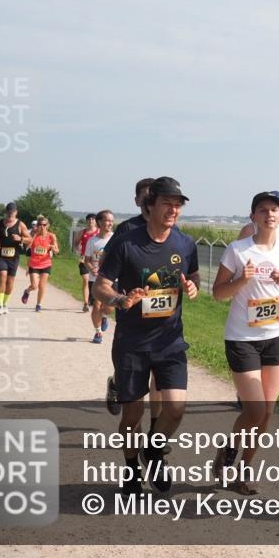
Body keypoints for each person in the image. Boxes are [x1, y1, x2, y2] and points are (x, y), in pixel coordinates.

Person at [93, 177, 199, 495]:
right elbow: (101, 284)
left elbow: (192, 276)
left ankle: (153, 452)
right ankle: (131, 469)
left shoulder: (185, 244)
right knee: (132, 414)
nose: (173, 209)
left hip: (169, 341)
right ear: (149, 205)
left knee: (176, 409)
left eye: (178, 204)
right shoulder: (126, 243)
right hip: (132, 343)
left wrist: (192, 286)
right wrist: (117, 300)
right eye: (167, 202)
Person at [212, 191, 279, 495]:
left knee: (267, 411)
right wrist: (242, 279)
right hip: (242, 338)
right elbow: (217, 293)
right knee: (254, 409)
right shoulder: (238, 251)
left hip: (276, 337)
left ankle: (244, 470)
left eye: (275, 210)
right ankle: (228, 451)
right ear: (253, 216)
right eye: (263, 210)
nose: (270, 214)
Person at [104, 177, 155, 417]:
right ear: (137, 201)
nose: (151, 202)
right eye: (146, 197)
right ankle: (117, 382)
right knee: (127, 367)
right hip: (131, 308)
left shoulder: (171, 228)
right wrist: (116, 294)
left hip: (160, 310)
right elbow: (108, 263)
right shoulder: (126, 229)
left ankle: (156, 433)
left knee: (160, 374)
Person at [0, 202, 30, 316]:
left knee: (10, 281)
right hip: (0, 255)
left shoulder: (20, 225)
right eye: (8, 211)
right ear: (6, 212)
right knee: (2, 275)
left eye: (12, 212)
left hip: (13, 256)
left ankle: (5, 304)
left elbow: (30, 239)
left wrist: (20, 238)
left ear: (16, 212)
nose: (10, 214)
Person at [84, 210, 115, 343]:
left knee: (109, 308)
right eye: (108, 220)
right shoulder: (92, 241)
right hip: (95, 278)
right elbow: (86, 260)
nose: (110, 223)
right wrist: (92, 269)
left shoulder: (116, 239)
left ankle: (104, 316)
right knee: (96, 305)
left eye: (112, 221)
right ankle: (98, 332)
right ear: (100, 222)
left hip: (112, 279)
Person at [20, 215, 59, 311]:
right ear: (37, 225)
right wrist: (22, 239)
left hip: (46, 264)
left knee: (42, 286)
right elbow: (27, 245)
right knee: (34, 285)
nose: (42, 227)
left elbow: (57, 250)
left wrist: (54, 249)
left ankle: (38, 304)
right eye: (40, 224)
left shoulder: (51, 236)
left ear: (48, 225)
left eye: (44, 225)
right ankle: (27, 291)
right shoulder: (34, 235)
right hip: (34, 264)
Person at [76, 214, 99, 313]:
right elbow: (76, 243)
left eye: (93, 219)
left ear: (96, 221)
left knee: (95, 282)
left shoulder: (99, 232)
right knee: (86, 280)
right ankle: (86, 303)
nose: (91, 221)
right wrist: (78, 249)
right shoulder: (83, 232)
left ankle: (94, 300)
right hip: (84, 260)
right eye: (89, 219)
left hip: (97, 261)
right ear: (86, 221)